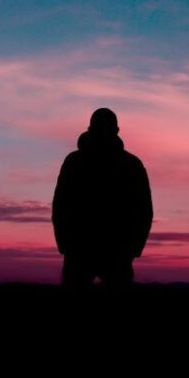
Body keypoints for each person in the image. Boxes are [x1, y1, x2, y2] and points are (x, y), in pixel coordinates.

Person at [52, 108, 154, 292]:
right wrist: (64, 244)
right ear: (117, 130)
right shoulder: (130, 164)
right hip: (85, 249)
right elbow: (60, 205)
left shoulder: (130, 165)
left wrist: (134, 248)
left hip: (109, 250)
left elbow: (144, 210)